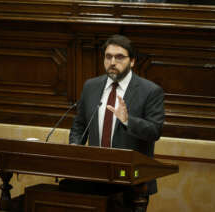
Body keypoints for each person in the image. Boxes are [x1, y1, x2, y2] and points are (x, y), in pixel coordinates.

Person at [69, 34, 165, 211]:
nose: (112, 62)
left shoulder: (150, 91)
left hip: (132, 183)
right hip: (95, 178)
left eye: (119, 57)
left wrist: (128, 121)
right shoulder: (91, 86)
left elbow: (154, 131)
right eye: (108, 57)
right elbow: (79, 125)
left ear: (133, 61)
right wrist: (75, 146)